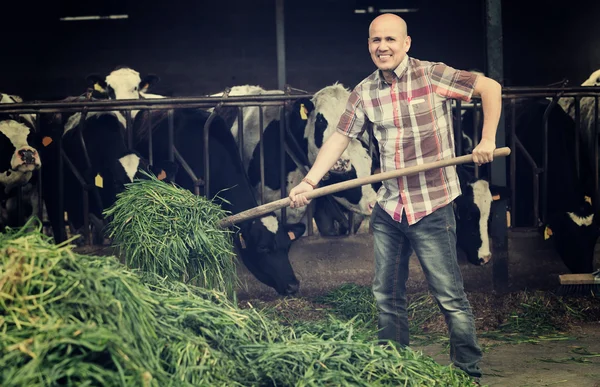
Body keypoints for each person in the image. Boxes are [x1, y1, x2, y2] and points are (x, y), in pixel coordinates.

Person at [288, 13, 502, 384]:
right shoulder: (365, 91)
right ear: (369, 46)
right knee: (387, 297)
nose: (382, 46)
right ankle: (393, 371)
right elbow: (339, 139)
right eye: (375, 41)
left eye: (390, 39)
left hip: (433, 205)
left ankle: (467, 374)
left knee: (449, 297)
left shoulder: (432, 74)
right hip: (390, 209)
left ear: (406, 43)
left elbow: (491, 88)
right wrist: (309, 181)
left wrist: (486, 140)